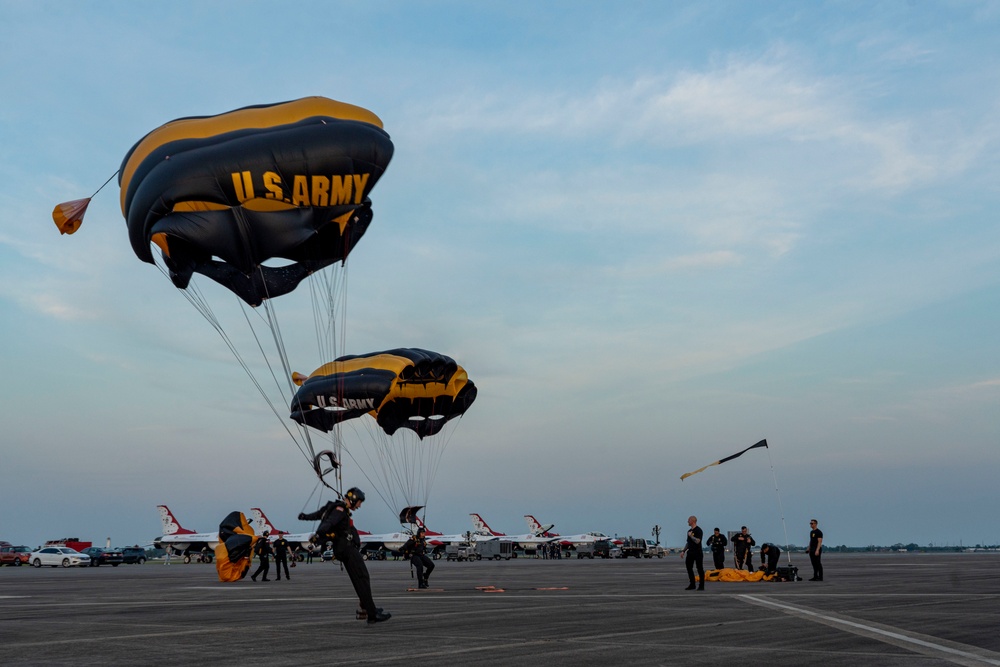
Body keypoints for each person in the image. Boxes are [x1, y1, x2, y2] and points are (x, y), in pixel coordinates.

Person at [298, 488, 391, 624]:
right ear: (353, 499)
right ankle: (372, 614)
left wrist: (305, 517)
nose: (359, 506)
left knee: (359, 579)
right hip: (347, 549)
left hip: (344, 550)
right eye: (359, 502)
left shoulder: (335, 508)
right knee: (362, 578)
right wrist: (318, 534)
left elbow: (320, 514)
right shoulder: (340, 510)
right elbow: (328, 523)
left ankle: (370, 608)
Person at [680, 515, 704, 591]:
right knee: (689, 567)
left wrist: (691, 536)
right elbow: (688, 543)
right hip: (690, 552)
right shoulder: (689, 531)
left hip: (698, 552)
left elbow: (698, 541)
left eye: (688, 520)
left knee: (699, 568)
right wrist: (683, 551)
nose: (687, 522)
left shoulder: (698, 530)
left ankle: (701, 585)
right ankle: (692, 584)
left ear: (693, 521)